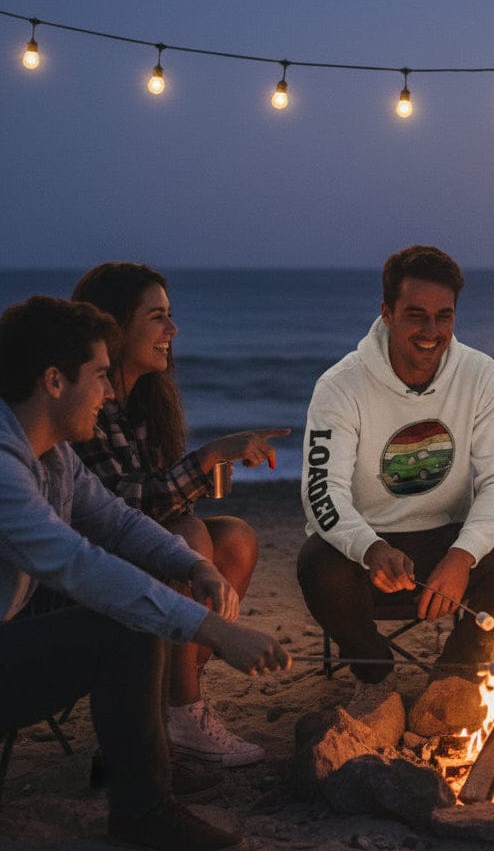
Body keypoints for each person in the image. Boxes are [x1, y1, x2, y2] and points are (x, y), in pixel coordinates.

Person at [0, 295, 290, 851]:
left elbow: (118, 523)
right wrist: (216, 631)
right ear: (55, 381)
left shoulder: (54, 456)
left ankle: (142, 779)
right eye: (101, 377)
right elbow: (76, 563)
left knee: (130, 613)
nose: (110, 394)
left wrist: (194, 564)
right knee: (124, 625)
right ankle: (144, 811)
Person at [297, 244, 494, 726]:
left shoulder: (480, 375)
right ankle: (375, 677)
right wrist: (370, 548)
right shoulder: (341, 385)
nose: (431, 332)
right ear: (387, 313)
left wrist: (463, 556)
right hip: (367, 552)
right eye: (416, 316)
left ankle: (455, 673)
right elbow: (321, 493)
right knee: (316, 563)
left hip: (447, 541)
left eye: (444, 316)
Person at [71, 262, 289, 767]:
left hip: (135, 551)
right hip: (88, 564)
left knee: (235, 537)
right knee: (191, 534)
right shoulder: (90, 403)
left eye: (170, 316)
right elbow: (115, 502)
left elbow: (152, 499)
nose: (172, 331)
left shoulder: (144, 400)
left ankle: (172, 697)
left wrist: (200, 475)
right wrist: (208, 457)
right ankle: (183, 711)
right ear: (116, 326)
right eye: (158, 318)